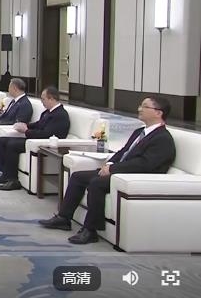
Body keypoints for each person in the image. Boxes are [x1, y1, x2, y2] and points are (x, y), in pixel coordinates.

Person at [39, 96, 176, 244]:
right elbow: (123, 151)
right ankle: (64, 218)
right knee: (78, 176)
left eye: (145, 106)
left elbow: (145, 164)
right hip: (120, 170)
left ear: (158, 113)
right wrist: (109, 163)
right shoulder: (139, 132)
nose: (139, 109)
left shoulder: (162, 138)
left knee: (96, 183)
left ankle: (90, 230)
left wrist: (113, 169)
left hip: (135, 177)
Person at [0, 87, 70, 191]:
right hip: (36, 139)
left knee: (12, 144)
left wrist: (26, 131)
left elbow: (47, 134)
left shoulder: (60, 115)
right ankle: (5, 174)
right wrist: (25, 125)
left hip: (44, 143)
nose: (42, 102)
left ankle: (13, 180)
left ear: (51, 99)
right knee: (3, 140)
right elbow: (38, 124)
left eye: (43, 99)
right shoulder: (48, 112)